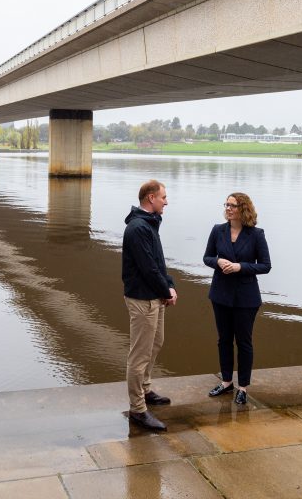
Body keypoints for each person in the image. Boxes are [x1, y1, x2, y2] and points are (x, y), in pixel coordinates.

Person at [203, 192, 271, 405]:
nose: (228, 208)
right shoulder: (217, 230)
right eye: (226, 204)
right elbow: (207, 257)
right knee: (223, 340)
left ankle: (243, 387)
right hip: (220, 295)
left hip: (246, 297)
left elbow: (266, 265)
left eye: (232, 205)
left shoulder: (256, 234)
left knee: (244, 342)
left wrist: (241, 267)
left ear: (243, 209)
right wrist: (218, 262)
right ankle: (225, 382)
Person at [122, 179, 177, 431]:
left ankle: (145, 390)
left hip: (155, 296)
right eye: (163, 197)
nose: (166, 202)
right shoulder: (137, 228)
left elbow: (158, 262)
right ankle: (138, 409)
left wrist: (169, 285)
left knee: (157, 343)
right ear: (151, 198)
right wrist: (165, 290)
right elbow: (147, 267)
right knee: (139, 355)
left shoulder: (150, 224)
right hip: (143, 299)